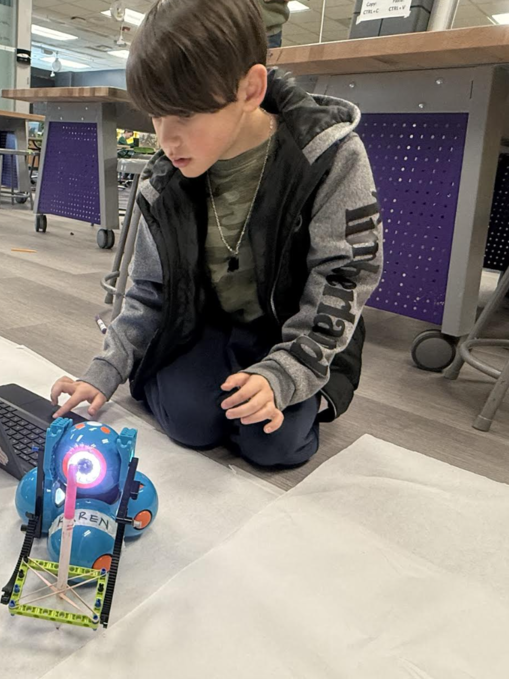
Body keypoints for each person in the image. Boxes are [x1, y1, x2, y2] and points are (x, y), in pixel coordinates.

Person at [50, 0, 382, 469]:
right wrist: (105, 371)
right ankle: (188, 378)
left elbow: (344, 279)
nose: (167, 140)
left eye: (184, 116)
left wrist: (283, 375)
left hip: (293, 334)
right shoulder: (162, 180)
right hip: (204, 326)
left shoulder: (331, 156)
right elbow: (148, 292)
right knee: (190, 425)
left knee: (273, 445)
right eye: (155, 117)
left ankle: (304, 390)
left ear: (250, 89)